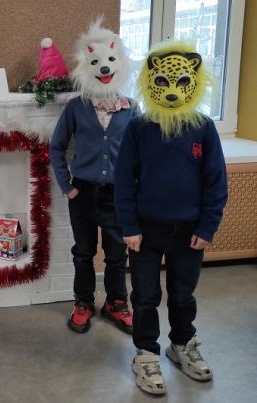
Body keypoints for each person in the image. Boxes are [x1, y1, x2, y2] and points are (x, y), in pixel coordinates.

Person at [114, 41, 228, 395]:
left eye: (181, 83)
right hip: (146, 231)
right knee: (145, 295)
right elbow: (124, 180)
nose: (173, 91)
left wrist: (208, 227)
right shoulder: (139, 127)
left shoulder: (203, 128)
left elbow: (216, 182)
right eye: (163, 82)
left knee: (182, 294)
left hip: (190, 231)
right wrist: (129, 227)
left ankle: (182, 344)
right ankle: (146, 353)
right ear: (151, 82)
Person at [50, 18, 137, 334]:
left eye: (110, 60)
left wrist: (136, 189)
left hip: (118, 195)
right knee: (83, 253)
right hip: (83, 192)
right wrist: (67, 186)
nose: (104, 68)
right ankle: (84, 302)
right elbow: (57, 147)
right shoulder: (76, 108)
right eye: (96, 63)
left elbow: (141, 153)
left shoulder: (131, 108)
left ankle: (116, 303)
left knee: (116, 255)